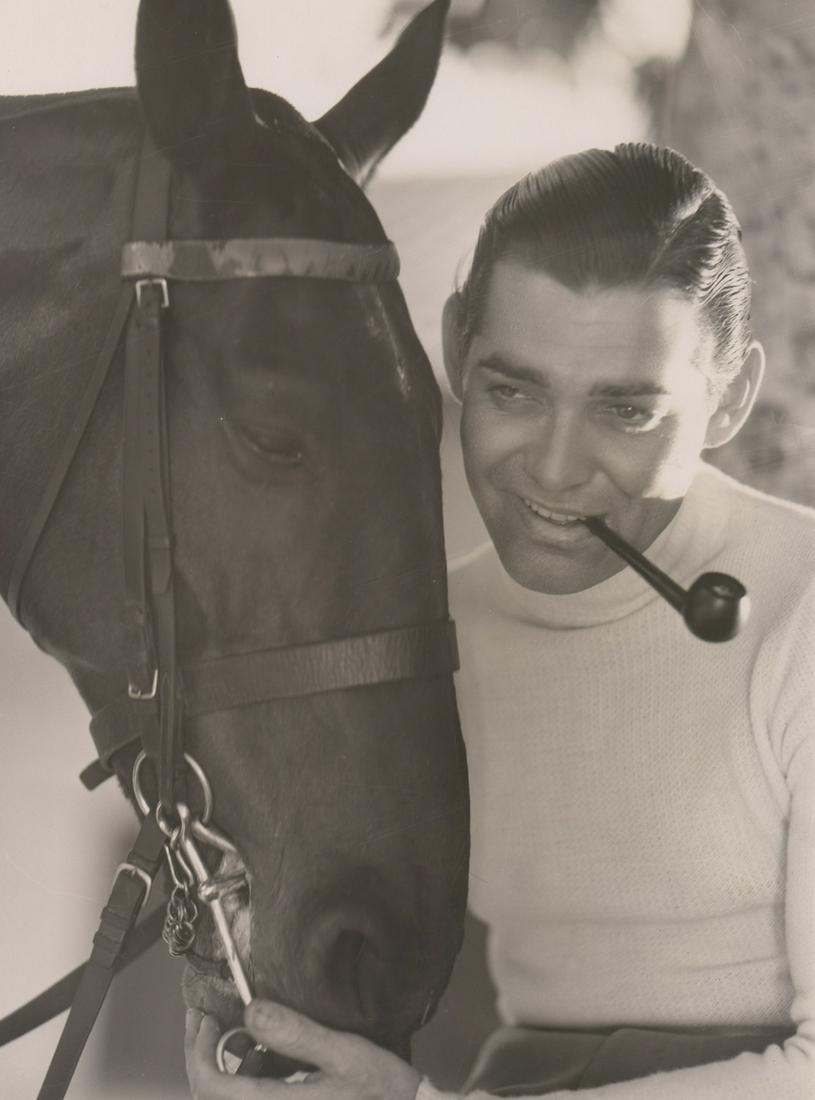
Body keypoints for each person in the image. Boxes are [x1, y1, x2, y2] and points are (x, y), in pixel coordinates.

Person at [184, 143, 815, 1098]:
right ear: (452, 350)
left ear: (727, 397)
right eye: (513, 392)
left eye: (625, 411)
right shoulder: (430, 635)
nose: (555, 471)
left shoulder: (799, 610)